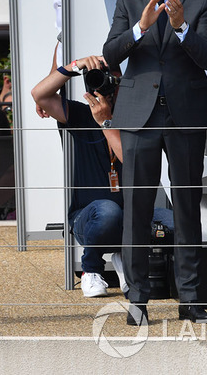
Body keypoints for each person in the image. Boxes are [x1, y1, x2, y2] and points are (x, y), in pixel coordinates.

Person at [102, 0, 207, 326]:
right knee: (136, 208)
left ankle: (190, 298)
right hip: (138, 116)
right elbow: (110, 53)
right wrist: (139, 28)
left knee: (187, 208)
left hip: (185, 115)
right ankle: (138, 299)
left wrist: (183, 27)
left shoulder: (200, 0)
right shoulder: (127, 1)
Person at [31, 54, 173, 297]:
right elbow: (39, 94)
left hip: (133, 216)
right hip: (88, 218)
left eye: (113, 82)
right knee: (108, 211)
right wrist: (77, 66)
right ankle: (91, 269)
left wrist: (106, 123)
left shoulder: (136, 117)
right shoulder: (79, 114)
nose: (107, 89)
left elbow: (135, 164)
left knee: (172, 221)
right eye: (100, 81)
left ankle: (126, 257)